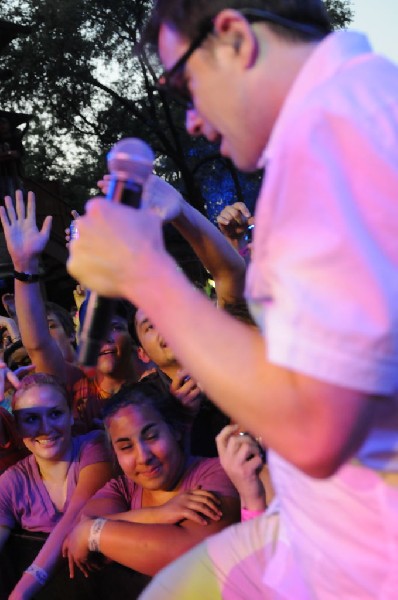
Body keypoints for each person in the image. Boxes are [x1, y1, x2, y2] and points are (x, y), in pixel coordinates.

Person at [67, 1, 398, 598]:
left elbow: (316, 425)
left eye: (186, 83)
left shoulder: (334, 135)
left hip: (363, 564)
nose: (190, 119)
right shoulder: (350, 115)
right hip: (317, 531)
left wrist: (144, 272)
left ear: (234, 38)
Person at [64, 375, 239, 596]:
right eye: (126, 447)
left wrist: (92, 533)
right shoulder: (121, 488)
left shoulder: (217, 473)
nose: (143, 456)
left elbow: (193, 559)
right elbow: (82, 524)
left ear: (175, 430)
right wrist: (160, 514)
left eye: (151, 436)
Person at [0, 190, 150, 433]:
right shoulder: (74, 382)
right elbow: (37, 344)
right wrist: (24, 266)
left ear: (133, 335)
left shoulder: (156, 378)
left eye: (113, 327)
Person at [0, 372, 112, 599]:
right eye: (31, 419)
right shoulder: (12, 482)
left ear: (71, 415)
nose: (45, 427)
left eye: (55, 414)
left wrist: (21, 592)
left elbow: (78, 512)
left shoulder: (94, 446)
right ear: (18, 427)